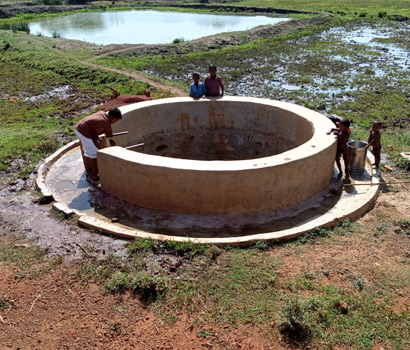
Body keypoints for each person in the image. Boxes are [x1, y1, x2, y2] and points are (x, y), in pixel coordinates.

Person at [74, 107, 122, 183]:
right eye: (116, 119)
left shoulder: (102, 114)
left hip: (81, 128)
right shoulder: (106, 123)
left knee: (95, 145)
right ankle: (94, 175)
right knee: (95, 153)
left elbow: (93, 126)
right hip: (83, 131)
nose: (116, 121)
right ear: (113, 117)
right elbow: (110, 137)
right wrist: (114, 145)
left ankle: (93, 171)